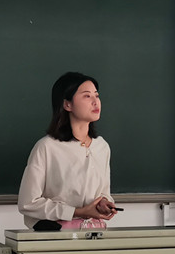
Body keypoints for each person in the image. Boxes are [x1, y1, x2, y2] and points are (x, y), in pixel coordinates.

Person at [18, 71, 119, 230]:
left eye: (97, 95)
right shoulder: (47, 147)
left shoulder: (102, 147)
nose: (95, 102)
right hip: (58, 235)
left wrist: (104, 203)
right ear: (67, 104)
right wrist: (76, 212)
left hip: (95, 233)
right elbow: (28, 203)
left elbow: (103, 192)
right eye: (87, 96)